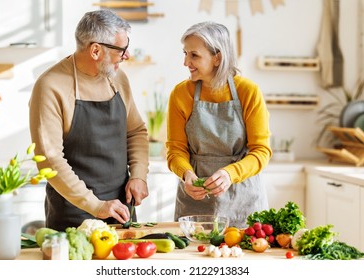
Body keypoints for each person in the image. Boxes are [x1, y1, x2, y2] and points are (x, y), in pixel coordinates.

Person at [29, 10, 149, 231]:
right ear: (95, 50)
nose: (127, 55)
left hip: (121, 211)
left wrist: (139, 175)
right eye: (121, 49)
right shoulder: (50, 86)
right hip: (73, 218)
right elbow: (50, 160)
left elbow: (136, 132)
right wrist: (96, 206)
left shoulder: (118, 78)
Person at [166, 21, 272, 229]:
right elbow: (175, 150)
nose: (186, 62)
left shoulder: (248, 92)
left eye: (194, 55)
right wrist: (186, 174)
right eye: (185, 53)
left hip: (244, 199)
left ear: (218, 57)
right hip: (194, 201)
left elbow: (261, 151)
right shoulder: (180, 94)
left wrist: (229, 174)